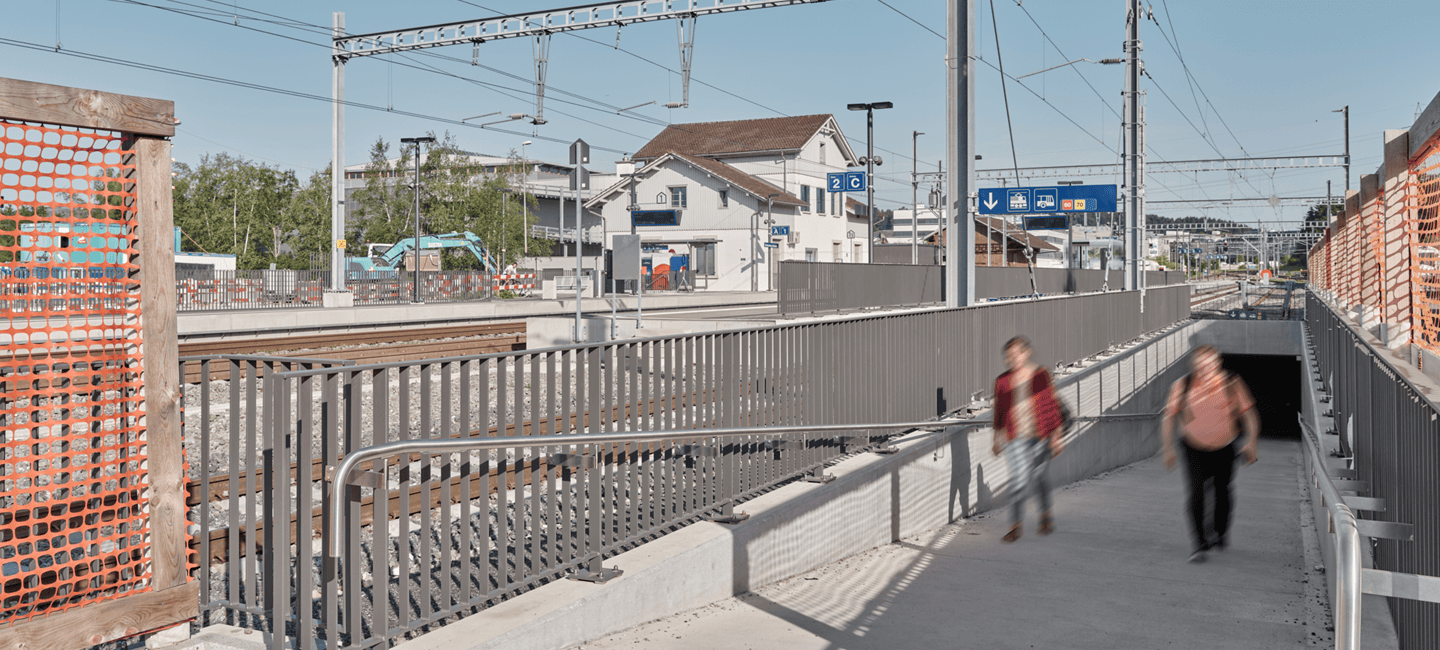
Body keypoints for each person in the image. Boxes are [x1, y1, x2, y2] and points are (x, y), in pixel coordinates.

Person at [1161, 345, 1260, 563]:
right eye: (1199, 366)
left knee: (1222, 492)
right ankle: (1199, 544)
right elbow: (1169, 417)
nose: (1204, 370)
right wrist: (1167, 448)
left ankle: (1220, 531)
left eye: (1208, 365)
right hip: (1193, 447)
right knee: (1196, 493)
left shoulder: (1232, 383)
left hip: (1225, 448)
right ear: (1194, 365)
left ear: (1217, 363)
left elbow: (1250, 415)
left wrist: (1251, 443)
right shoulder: (1182, 385)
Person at [991, 336, 1067, 543]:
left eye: (1015, 355)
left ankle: (1045, 517)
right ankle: (1015, 526)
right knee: (1018, 480)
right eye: (1008, 356)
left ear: (1026, 353)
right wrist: (996, 439)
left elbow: (1052, 406)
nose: (1011, 359)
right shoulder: (1002, 381)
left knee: (1039, 477)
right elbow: (999, 413)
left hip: (1040, 437)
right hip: (1015, 437)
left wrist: (1057, 437)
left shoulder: (1040, 374)